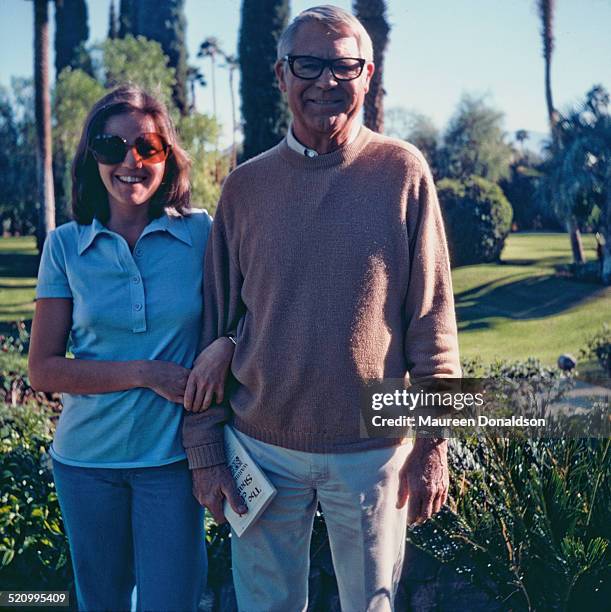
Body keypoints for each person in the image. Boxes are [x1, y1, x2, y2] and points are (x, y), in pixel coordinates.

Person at [183, 5, 460, 611]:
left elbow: (433, 324)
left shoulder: (402, 172)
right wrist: (204, 452)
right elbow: (216, 328)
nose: (327, 81)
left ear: (368, 76)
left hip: (372, 453)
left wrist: (435, 445)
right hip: (260, 449)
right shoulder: (244, 187)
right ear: (281, 75)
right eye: (309, 64)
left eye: (344, 66)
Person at [28, 86, 235, 612]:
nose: (130, 161)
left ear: (168, 157)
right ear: (91, 156)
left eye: (147, 147)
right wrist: (145, 372)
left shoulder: (203, 234)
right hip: (84, 464)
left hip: (170, 462)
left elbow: (251, 311)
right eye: (111, 146)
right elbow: (44, 370)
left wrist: (228, 345)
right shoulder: (65, 245)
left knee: (174, 602)